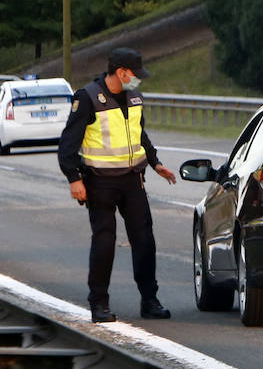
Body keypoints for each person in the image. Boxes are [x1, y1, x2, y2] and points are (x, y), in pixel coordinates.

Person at [58, 47, 176, 323]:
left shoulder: (135, 97)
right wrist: (74, 178)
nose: (138, 81)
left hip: (133, 180)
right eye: (135, 75)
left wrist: (156, 163)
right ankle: (99, 304)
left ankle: (150, 300)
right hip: (99, 182)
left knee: (144, 240)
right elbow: (67, 144)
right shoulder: (87, 98)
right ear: (121, 72)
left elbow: (139, 134)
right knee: (105, 242)